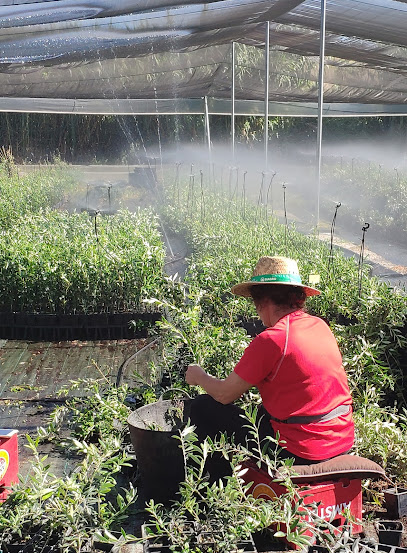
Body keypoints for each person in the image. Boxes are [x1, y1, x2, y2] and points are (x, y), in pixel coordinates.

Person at [185, 255, 354, 474]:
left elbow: (224, 395)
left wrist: (199, 376)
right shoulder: (319, 325)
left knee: (203, 407)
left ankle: (215, 485)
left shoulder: (272, 339)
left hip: (300, 451)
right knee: (261, 412)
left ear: (262, 300)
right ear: (298, 298)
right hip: (341, 440)